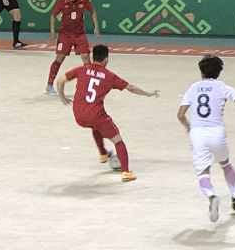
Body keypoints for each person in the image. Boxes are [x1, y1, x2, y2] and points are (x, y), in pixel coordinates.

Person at [56, 44, 160, 182]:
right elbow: (131, 88)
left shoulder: (82, 69)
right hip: (96, 114)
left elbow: (60, 81)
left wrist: (62, 97)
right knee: (118, 140)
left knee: (95, 127)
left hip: (79, 115)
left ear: (92, 58)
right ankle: (126, 172)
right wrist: (148, 94)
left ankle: (103, 154)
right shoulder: (109, 76)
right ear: (106, 60)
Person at [177, 55, 235, 222]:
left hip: (198, 134)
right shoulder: (222, 87)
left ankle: (211, 196)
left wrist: (189, 129)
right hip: (217, 133)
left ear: (201, 72)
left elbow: (180, 115)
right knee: (225, 164)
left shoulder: (193, 88)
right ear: (218, 73)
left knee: (203, 173)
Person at [46, 0, 100, 95]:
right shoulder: (61, 1)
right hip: (65, 34)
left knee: (86, 58)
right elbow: (53, 15)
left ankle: (88, 85)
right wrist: (52, 31)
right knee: (59, 59)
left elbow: (93, 12)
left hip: (80, 34)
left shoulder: (84, 0)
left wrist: (96, 27)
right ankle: (49, 85)